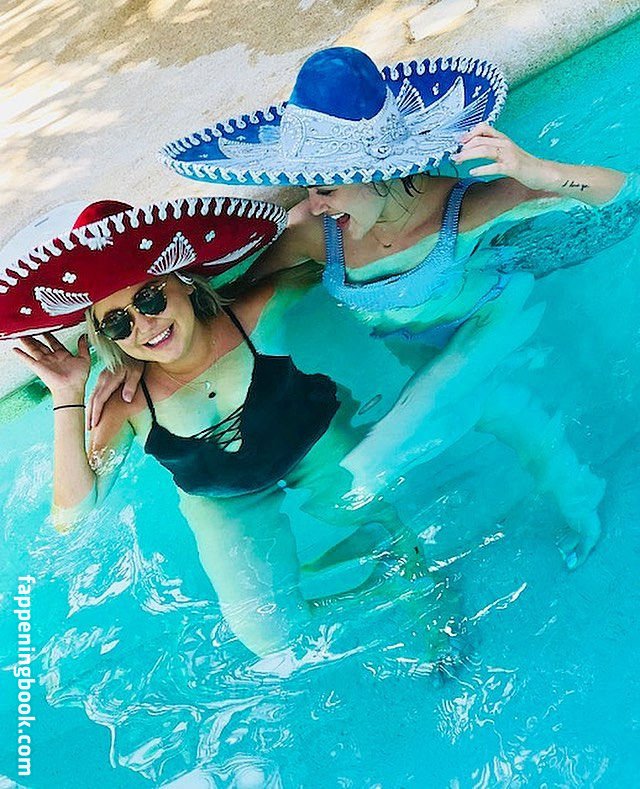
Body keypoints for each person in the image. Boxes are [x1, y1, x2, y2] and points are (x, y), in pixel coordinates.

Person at [155, 46, 639, 568]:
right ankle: (580, 490)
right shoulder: (314, 234)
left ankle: (379, 461)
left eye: (325, 188)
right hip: (416, 348)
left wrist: (535, 170)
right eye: (308, 190)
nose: (313, 204)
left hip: (491, 317)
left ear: (376, 173)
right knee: (496, 408)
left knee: (420, 411)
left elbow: (624, 194)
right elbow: (225, 307)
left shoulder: (463, 208)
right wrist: (139, 353)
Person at [6, 196, 455, 664]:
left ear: (183, 281)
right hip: (224, 499)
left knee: (393, 541)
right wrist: (68, 393)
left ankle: (425, 617)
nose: (144, 325)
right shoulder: (129, 404)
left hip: (313, 444)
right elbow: (72, 517)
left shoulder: (255, 315)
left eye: (150, 298)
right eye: (118, 323)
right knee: (271, 640)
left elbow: (322, 236)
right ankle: (370, 593)